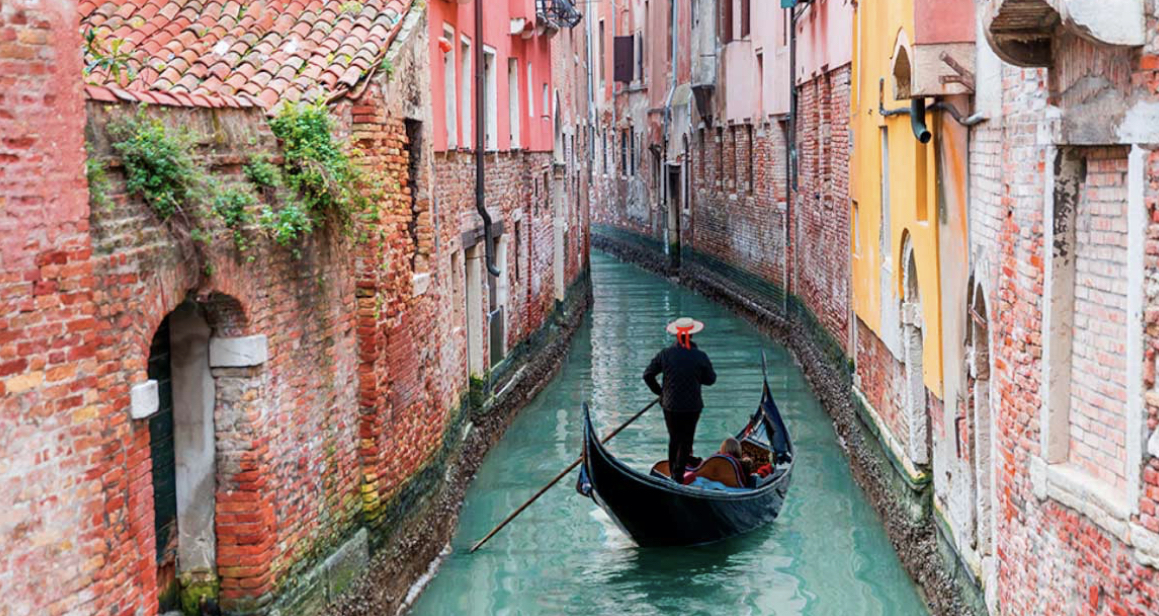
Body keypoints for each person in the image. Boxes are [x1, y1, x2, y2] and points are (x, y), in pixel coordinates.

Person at [643, 316, 717, 484]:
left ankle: (673, 474)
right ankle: (678, 475)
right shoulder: (699, 356)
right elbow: (711, 379)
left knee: (674, 439)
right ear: (691, 335)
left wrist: (660, 393)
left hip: (670, 404)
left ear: (677, 335)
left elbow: (647, 375)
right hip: (692, 406)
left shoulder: (665, 354)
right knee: (686, 440)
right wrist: (697, 377)